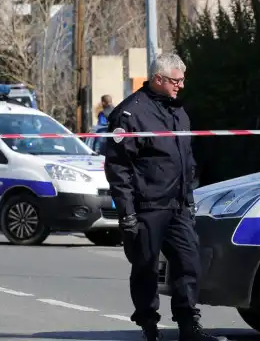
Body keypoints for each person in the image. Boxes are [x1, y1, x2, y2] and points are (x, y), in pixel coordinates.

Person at [104, 53, 225, 341]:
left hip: (178, 205)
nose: (181, 85)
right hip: (147, 206)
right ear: (158, 79)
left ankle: (188, 325)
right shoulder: (130, 114)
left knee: (188, 263)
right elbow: (118, 168)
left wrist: (189, 200)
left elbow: (186, 158)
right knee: (146, 267)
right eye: (176, 80)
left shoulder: (177, 111)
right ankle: (149, 325)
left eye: (183, 79)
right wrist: (127, 213)